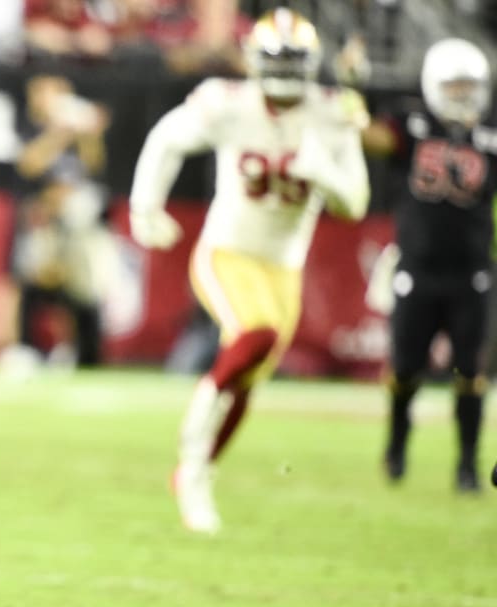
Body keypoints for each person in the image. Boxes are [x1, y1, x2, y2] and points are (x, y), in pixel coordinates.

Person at [129, 8, 370, 533]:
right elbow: (167, 138)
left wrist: (323, 173)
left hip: (284, 268)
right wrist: (145, 207)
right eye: (276, 58)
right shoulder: (230, 103)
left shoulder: (333, 111)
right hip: (228, 252)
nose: (284, 70)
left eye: (293, 59)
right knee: (254, 337)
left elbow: (355, 199)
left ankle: (197, 469)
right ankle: (192, 468)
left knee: (246, 378)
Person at [361, 38, 497, 493]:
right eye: (454, 87)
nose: (463, 96)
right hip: (417, 269)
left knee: (470, 374)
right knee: (404, 369)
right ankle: (396, 448)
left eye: (470, 87)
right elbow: (369, 137)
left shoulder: (490, 134)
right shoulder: (411, 123)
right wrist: (350, 89)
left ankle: (467, 466)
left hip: (472, 273)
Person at [0, 73, 112, 375]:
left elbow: (93, 165)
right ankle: (12, 348)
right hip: (35, 217)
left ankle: (69, 349)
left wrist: (88, 133)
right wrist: (59, 133)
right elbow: (28, 164)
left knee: (71, 287)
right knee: (20, 281)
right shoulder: (28, 126)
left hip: (70, 222)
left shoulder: (75, 133)